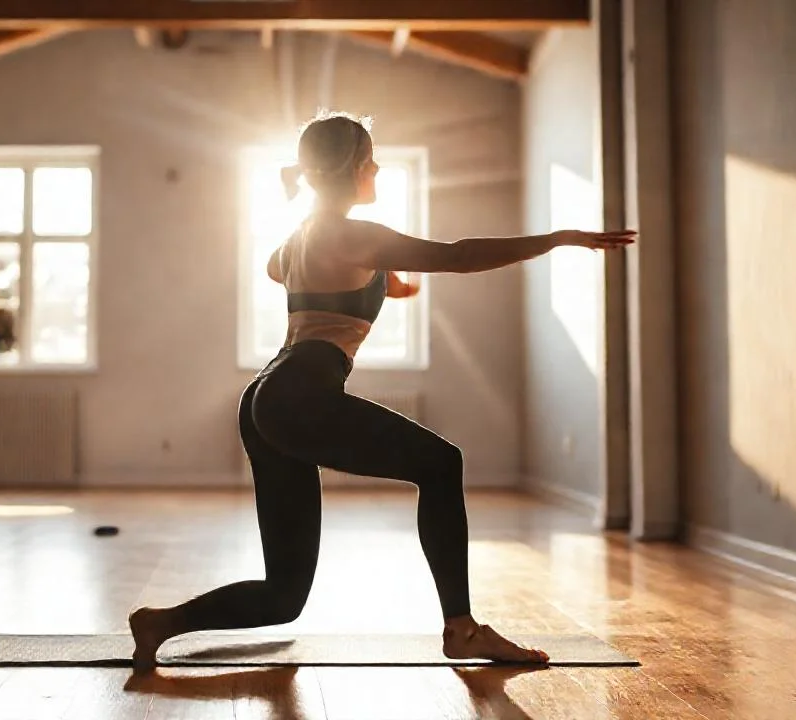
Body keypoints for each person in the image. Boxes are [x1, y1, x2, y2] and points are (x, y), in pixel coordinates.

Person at [129, 112, 636, 668]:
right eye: (370, 158)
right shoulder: (354, 235)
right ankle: (461, 628)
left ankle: (161, 624)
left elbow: (283, 270)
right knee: (442, 465)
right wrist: (559, 238)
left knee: (284, 595)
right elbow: (458, 255)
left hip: (265, 400)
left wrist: (379, 280)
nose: (378, 167)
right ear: (349, 167)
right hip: (301, 393)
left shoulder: (305, 236)